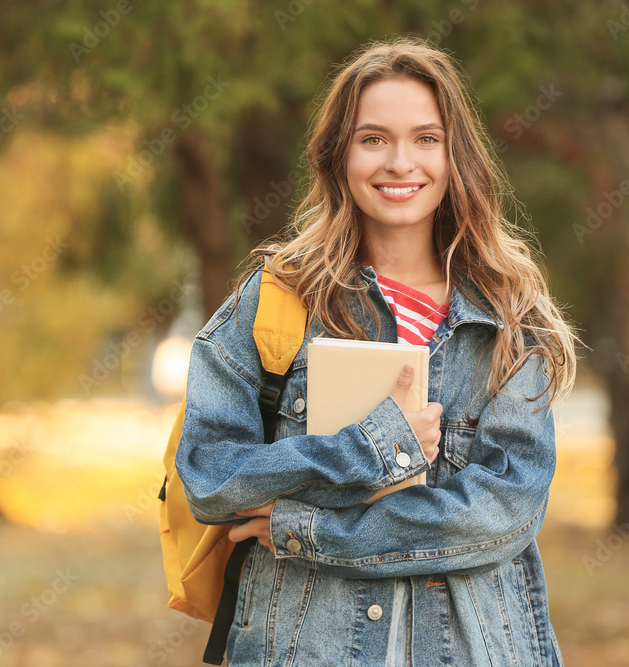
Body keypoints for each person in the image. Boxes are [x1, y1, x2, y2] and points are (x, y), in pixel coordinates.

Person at [176, 35, 578, 666]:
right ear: (339, 157)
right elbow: (208, 478)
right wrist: (370, 448)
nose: (399, 162)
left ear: (455, 157)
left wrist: (311, 529)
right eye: (372, 139)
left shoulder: (509, 318)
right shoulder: (278, 301)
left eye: (425, 138)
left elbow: (502, 513)